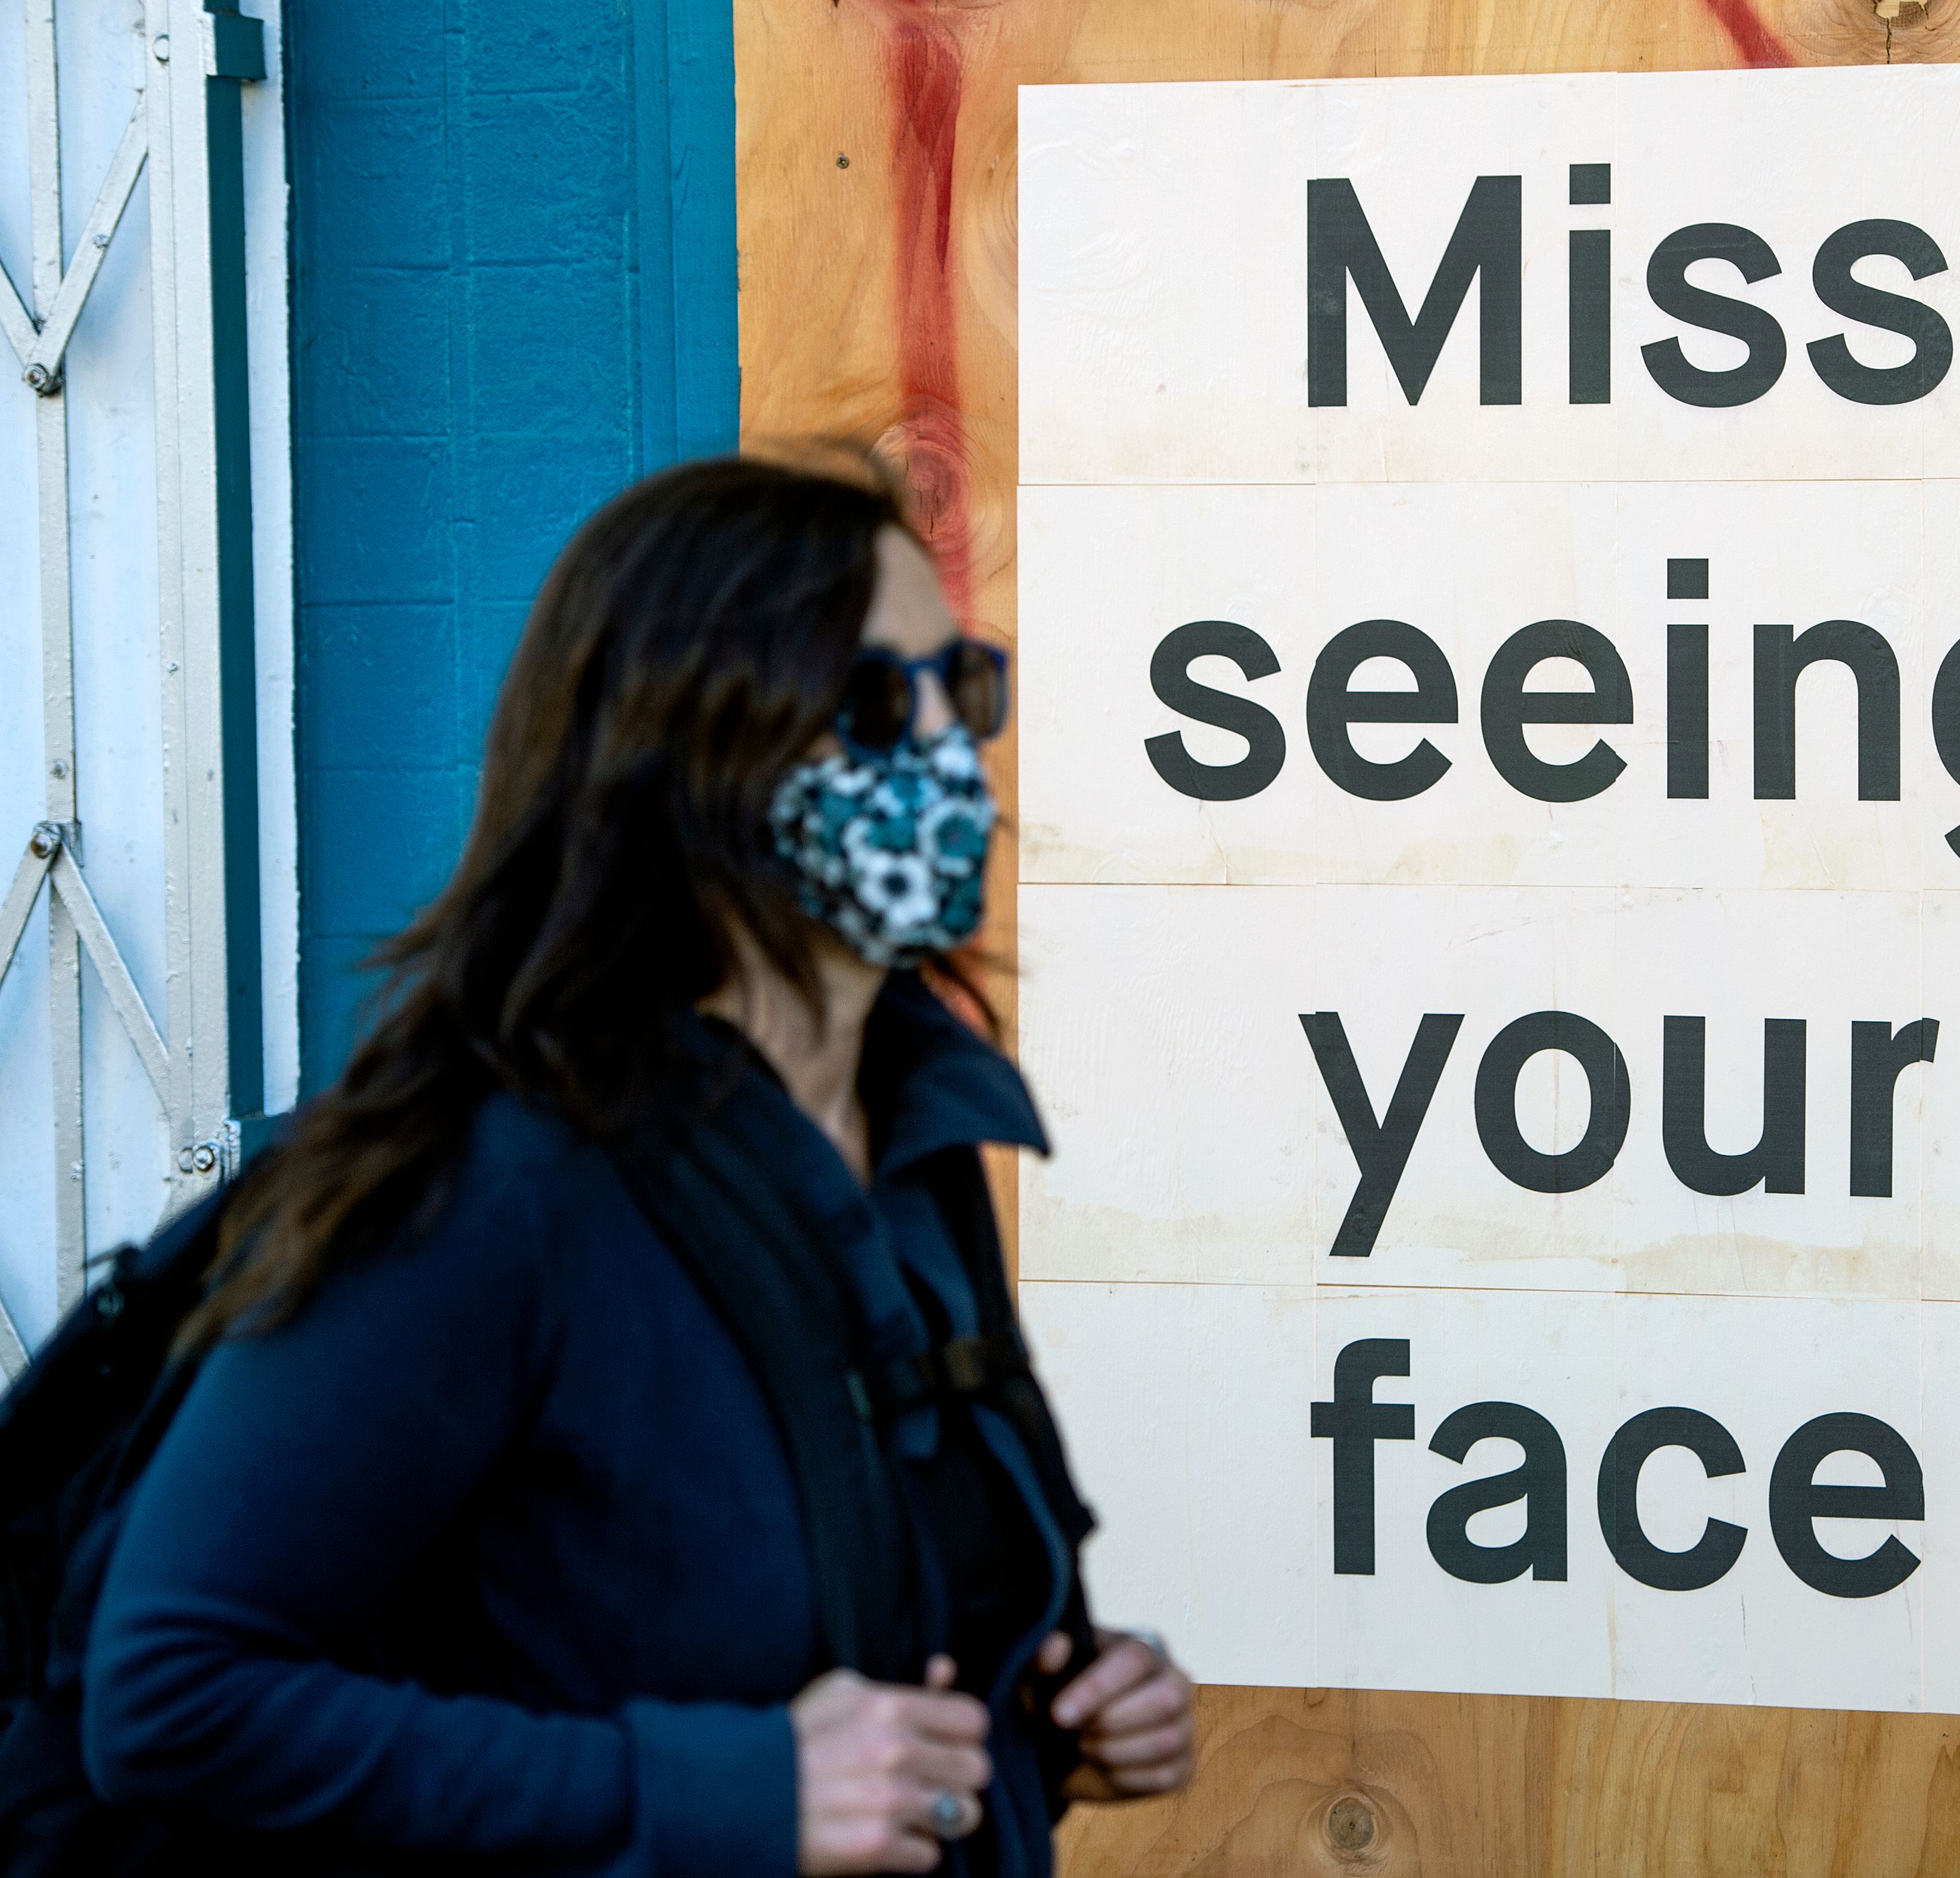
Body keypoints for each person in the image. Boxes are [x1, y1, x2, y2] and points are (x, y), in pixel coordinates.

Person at [75, 455, 1194, 1875]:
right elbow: (172, 1694)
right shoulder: (491, 1184)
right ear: (683, 757)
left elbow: (881, 1661)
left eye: (954, 688)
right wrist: (723, 1792)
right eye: (868, 704)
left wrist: (1061, 1715)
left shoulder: (918, 1139)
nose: (941, 754)